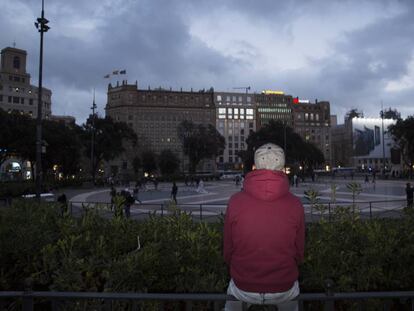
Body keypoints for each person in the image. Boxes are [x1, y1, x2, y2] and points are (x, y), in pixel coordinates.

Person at [224, 143, 305, 311]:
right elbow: (299, 251)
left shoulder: (235, 201)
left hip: (243, 284)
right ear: (283, 169)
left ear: (254, 167)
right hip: (284, 284)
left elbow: (228, 248)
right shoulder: (296, 204)